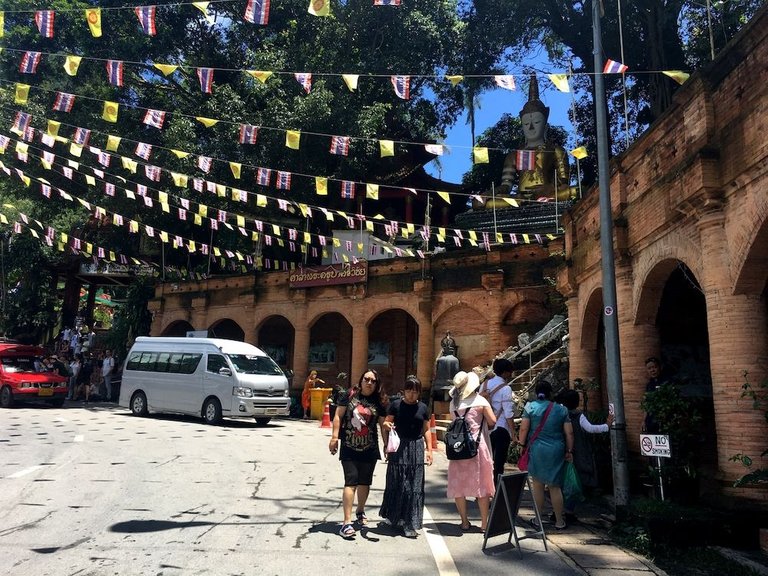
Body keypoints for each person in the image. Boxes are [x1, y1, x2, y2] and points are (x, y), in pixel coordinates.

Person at [329, 369, 387, 539]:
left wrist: (386, 445)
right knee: (351, 481)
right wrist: (334, 437)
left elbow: (383, 425)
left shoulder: (379, 401)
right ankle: (346, 523)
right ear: (361, 381)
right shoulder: (349, 395)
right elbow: (338, 416)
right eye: (366, 379)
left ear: (376, 384)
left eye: (373, 381)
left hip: (369, 447)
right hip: (348, 446)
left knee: (365, 482)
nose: (369, 383)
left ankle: (360, 510)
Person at [498, 74, 570, 201]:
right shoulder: (515, 155)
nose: (530, 127)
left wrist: (550, 188)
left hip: (549, 195)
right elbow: (506, 186)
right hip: (521, 199)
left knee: (572, 192)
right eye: (526, 124)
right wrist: (495, 191)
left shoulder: (555, 150)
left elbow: (563, 184)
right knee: (484, 203)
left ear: (545, 127)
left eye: (536, 122)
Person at [379, 376, 433, 538]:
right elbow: (386, 423)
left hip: (416, 447)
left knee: (413, 486)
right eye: (408, 391)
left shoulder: (423, 408)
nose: (411, 394)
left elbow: (427, 430)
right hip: (398, 447)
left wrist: (429, 450)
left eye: (414, 392)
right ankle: (394, 516)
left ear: (419, 393)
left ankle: (409, 522)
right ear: (404, 391)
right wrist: (387, 426)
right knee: (397, 482)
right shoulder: (395, 405)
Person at [517, 381, 574, 530]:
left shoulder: (530, 407)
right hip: (556, 449)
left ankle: (538, 519)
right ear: (551, 393)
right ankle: (560, 521)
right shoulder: (561, 410)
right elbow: (569, 433)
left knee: (538, 485)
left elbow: (523, 429)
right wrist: (569, 450)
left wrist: (521, 445)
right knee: (555, 487)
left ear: (536, 393)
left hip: (537, 449)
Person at [446, 370, 497, 532]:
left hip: (458, 449)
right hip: (477, 448)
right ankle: (484, 524)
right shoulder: (480, 401)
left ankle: (464, 522)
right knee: (481, 486)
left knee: (458, 486)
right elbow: (492, 422)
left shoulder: (453, 403)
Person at [556, 388, 613, 522]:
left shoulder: (559, 413)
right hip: (578, 453)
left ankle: (558, 510)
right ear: (577, 402)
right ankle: (569, 511)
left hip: (560, 452)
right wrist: (607, 425)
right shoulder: (578, 416)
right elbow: (590, 428)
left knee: (562, 482)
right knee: (574, 482)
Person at [482, 358, 516, 483]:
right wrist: (513, 433)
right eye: (510, 372)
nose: (511, 374)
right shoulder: (506, 389)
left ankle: (484, 490)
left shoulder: (484, 385)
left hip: (486, 428)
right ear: (505, 372)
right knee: (499, 463)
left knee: (486, 461)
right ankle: (496, 491)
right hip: (501, 428)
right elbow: (508, 413)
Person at [643, 357, 672, 433]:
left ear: (660, 367)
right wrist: (643, 421)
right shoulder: (649, 385)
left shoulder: (666, 382)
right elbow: (646, 404)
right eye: (649, 368)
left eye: (655, 367)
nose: (652, 370)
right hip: (650, 421)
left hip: (664, 421)